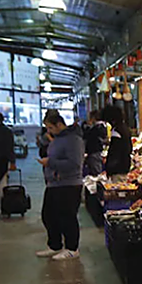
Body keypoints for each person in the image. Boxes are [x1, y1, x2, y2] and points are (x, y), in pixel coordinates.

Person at [36, 109, 84, 260]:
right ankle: (55, 245)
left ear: (59, 124)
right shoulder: (57, 139)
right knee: (48, 215)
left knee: (67, 217)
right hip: (54, 184)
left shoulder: (73, 140)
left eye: (50, 127)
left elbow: (74, 164)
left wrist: (50, 162)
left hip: (69, 184)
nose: (48, 131)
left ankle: (72, 248)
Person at [102, 105, 132, 178]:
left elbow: (114, 153)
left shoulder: (116, 132)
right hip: (125, 166)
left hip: (117, 170)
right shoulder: (125, 129)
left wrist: (109, 169)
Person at [82, 111, 106, 176]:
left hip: (94, 151)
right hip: (94, 152)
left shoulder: (98, 127)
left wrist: (88, 127)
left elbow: (88, 135)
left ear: (93, 118)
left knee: (96, 172)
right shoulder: (100, 127)